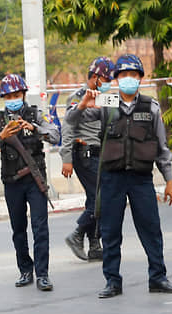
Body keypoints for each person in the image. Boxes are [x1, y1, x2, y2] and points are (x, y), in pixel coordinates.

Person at [66, 54, 172, 299]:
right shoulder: (106, 101)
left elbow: (162, 148)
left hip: (141, 178)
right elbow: (71, 120)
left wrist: (169, 182)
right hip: (112, 177)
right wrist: (83, 103)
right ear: (116, 78)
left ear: (140, 78)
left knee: (151, 229)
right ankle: (112, 281)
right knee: (110, 231)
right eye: (123, 74)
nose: (129, 78)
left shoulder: (150, 106)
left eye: (133, 74)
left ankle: (158, 277)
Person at [0, 74, 60, 292]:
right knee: (18, 228)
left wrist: (36, 128)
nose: (12, 99)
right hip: (12, 181)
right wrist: (2, 136)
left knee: (40, 228)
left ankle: (43, 274)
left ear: (24, 94)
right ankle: (25, 269)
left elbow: (55, 135)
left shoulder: (36, 114)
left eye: (16, 95)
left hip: (35, 180)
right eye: (8, 96)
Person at [60, 57, 113, 262]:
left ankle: (94, 245)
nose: (109, 82)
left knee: (95, 199)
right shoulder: (77, 97)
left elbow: (122, 111)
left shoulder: (105, 98)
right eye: (106, 78)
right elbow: (68, 126)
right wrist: (66, 158)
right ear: (96, 77)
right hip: (83, 153)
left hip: (101, 153)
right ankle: (77, 234)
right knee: (100, 198)